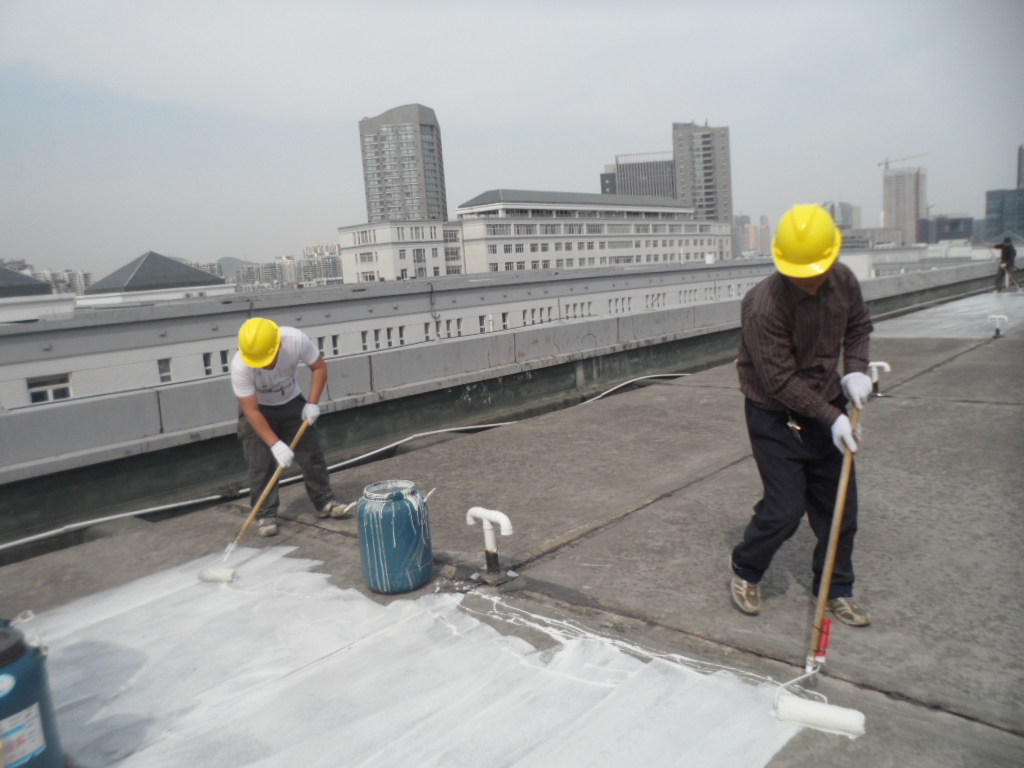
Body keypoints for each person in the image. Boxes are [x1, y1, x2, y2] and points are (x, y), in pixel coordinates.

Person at [730, 204, 874, 627]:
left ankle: (836, 589)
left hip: (829, 404)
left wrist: (856, 372)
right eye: (800, 270)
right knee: (785, 510)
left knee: (840, 509)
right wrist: (834, 419)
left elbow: (859, 326)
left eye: (816, 268)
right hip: (775, 414)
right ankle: (746, 569)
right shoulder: (763, 305)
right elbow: (778, 381)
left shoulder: (843, 279)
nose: (809, 277)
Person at [230, 317, 348, 536]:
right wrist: (275, 445)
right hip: (259, 410)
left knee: (311, 453)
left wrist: (312, 403)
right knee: (260, 464)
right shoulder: (240, 365)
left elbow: (319, 367)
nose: (264, 365)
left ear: (278, 345)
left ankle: (324, 501)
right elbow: (251, 411)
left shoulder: (295, 340)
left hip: (292, 402)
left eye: (267, 358)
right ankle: (265, 514)